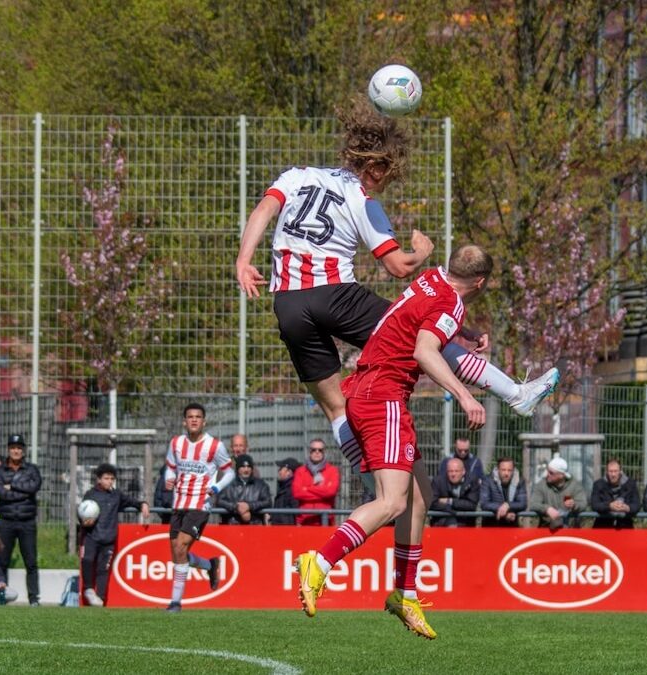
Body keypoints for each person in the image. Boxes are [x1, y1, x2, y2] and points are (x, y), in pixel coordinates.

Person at [235, 100, 558, 494]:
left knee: (335, 406)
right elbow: (398, 267)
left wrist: (244, 259)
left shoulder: (297, 175)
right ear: (375, 168)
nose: (387, 182)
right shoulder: (363, 200)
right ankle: (515, 393)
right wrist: (421, 251)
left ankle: (372, 481)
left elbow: (265, 208)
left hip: (287, 303)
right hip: (334, 293)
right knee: (422, 338)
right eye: (389, 174)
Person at [296, 244, 495, 640]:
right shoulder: (451, 302)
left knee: (420, 497)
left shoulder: (431, 279)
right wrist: (465, 395)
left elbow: (408, 317)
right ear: (481, 282)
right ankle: (318, 562)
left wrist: (465, 333)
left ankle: (404, 594)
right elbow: (424, 350)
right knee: (392, 502)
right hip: (383, 395)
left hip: (370, 391)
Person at [163, 403, 235, 613]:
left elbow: (229, 472)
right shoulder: (176, 443)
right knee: (178, 553)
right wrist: (169, 479)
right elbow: (170, 467)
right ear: (184, 421)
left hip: (200, 503)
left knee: (181, 547)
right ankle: (209, 565)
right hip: (179, 503)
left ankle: (175, 603)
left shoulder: (214, 446)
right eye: (190, 417)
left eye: (198, 417)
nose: (194, 420)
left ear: (204, 421)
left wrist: (216, 487)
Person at [79, 463, 150, 606]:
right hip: (92, 536)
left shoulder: (116, 495)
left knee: (103, 570)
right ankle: (88, 588)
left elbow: (132, 502)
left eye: (112, 479)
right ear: (99, 479)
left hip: (109, 539)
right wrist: (84, 522)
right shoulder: (90, 495)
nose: (109, 481)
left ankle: (100, 599)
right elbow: (82, 511)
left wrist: (143, 504)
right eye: (106, 478)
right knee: (87, 560)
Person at [0, 433, 42, 607]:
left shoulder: (32, 469)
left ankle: (34, 598)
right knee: (2, 560)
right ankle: (1, 594)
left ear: (23, 451)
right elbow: (0, 492)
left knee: (30, 561)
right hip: (6, 521)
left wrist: (13, 486)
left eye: (19, 448)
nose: (16, 451)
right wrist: (22, 493)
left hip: (27, 521)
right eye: (13, 448)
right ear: (8, 450)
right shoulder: (0, 471)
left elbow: (34, 487)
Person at [529, 456, 587, 532]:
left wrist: (574, 505)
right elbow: (533, 503)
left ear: (561, 475)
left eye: (551, 473)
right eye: (548, 471)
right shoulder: (541, 485)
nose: (547, 474)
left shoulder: (575, 485)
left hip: (571, 530)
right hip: (546, 530)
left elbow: (583, 504)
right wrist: (546, 509)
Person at [292, 439, 341, 525]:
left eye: (320, 450)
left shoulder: (332, 470)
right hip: (305, 520)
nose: (317, 452)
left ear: (324, 452)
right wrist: (321, 492)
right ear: (309, 452)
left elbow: (330, 492)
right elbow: (297, 493)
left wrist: (307, 488)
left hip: (325, 520)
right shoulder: (300, 471)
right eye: (314, 450)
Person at [217, 454, 271, 525]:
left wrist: (250, 506)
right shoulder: (228, 484)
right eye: (243, 466)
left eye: (248, 467)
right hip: (232, 527)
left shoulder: (261, 485)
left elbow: (267, 501)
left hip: (255, 526)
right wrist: (236, 507)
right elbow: (219, 501)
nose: (246, 469)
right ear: (238, 468)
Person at [429, 457, 481, 527]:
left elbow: (471, 505)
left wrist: (450, 501)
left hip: (466, 523)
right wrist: (449, 508)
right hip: (442, 523)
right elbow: (431, 503)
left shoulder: (472, 481)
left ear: (463, 472)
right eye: (450, 471)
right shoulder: (438, 481)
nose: (453, 474)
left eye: (456, 471)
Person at [590, 458, 641, 529]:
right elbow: (594, 504)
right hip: (603, 527)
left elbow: (637, 504)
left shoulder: (631, 484)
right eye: (610, 471)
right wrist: (609, 506)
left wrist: (627, 508)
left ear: (620, 471)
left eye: (615, 471)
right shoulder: (598, 485)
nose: (613, 474)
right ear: (606, 472)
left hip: (625, 527)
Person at [480, 457, 527, 527]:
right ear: (498, 469)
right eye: (503, 470)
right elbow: (484, 503)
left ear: (513, 470)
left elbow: (523, 503)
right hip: (491, 526)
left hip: (511, 527)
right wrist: (503, 511)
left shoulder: (519, 481)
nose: (506, 473)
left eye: (509, 470)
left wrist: (508, 505)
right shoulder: (488, 480)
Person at [270, 457, 300, 525]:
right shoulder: (284, 487)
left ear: (289, 472)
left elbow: (296, 514)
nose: (279, 471)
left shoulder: (292, 489)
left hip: (287, 531)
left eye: (281, 469)